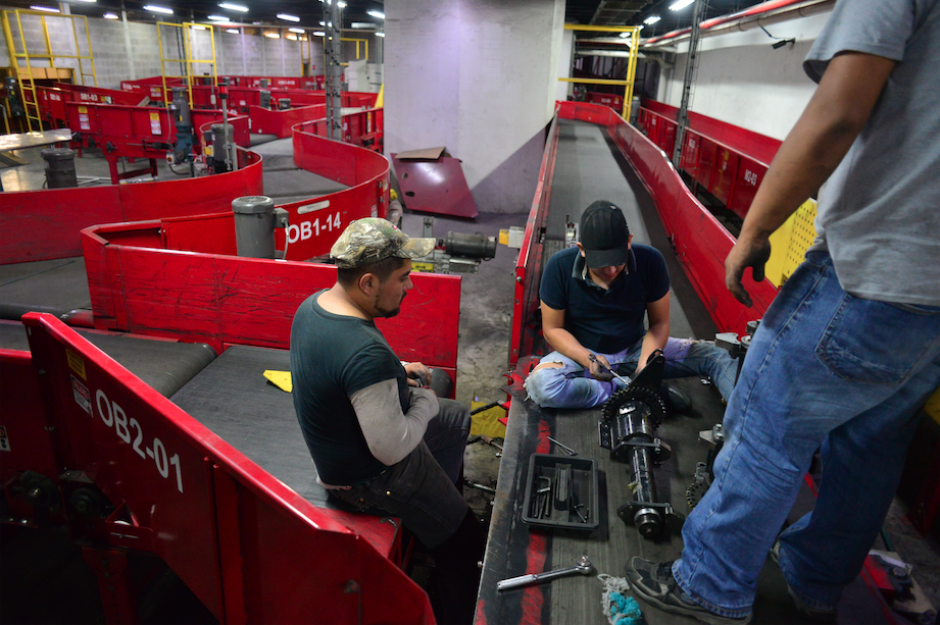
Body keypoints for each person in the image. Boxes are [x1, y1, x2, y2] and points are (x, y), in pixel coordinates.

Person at [625, 1, 940, 623]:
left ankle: (709, 583)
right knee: (870, 446)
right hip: (930, 308)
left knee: (768, 426)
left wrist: (756, 228)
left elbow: (837, 113)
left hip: (871, 271)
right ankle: (815, 578)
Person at [290, 218, 485, 625]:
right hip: (370, 479)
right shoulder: (364, 352)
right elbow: (392, 448)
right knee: (468, 542)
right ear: (367, 283)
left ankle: (433, 522)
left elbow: (342, 369)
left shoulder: (314, 307)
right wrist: (425, 402)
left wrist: (395, 370)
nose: (410, 287)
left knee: (458, 417)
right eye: (403, 277)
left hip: (356, 441)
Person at [524, 200, 739, 410]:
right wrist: (588, 358)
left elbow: (660, 323)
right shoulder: (558, 268)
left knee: (719, 355)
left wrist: (646, 365)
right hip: (582, 355)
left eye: (617, 261)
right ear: (582, 249)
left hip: (636, 350)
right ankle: (626, 389)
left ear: (629, 241)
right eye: (601, 264)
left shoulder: (651, 262)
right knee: (541, 385)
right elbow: (552, 329)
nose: (610, 271)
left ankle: (744, 427)